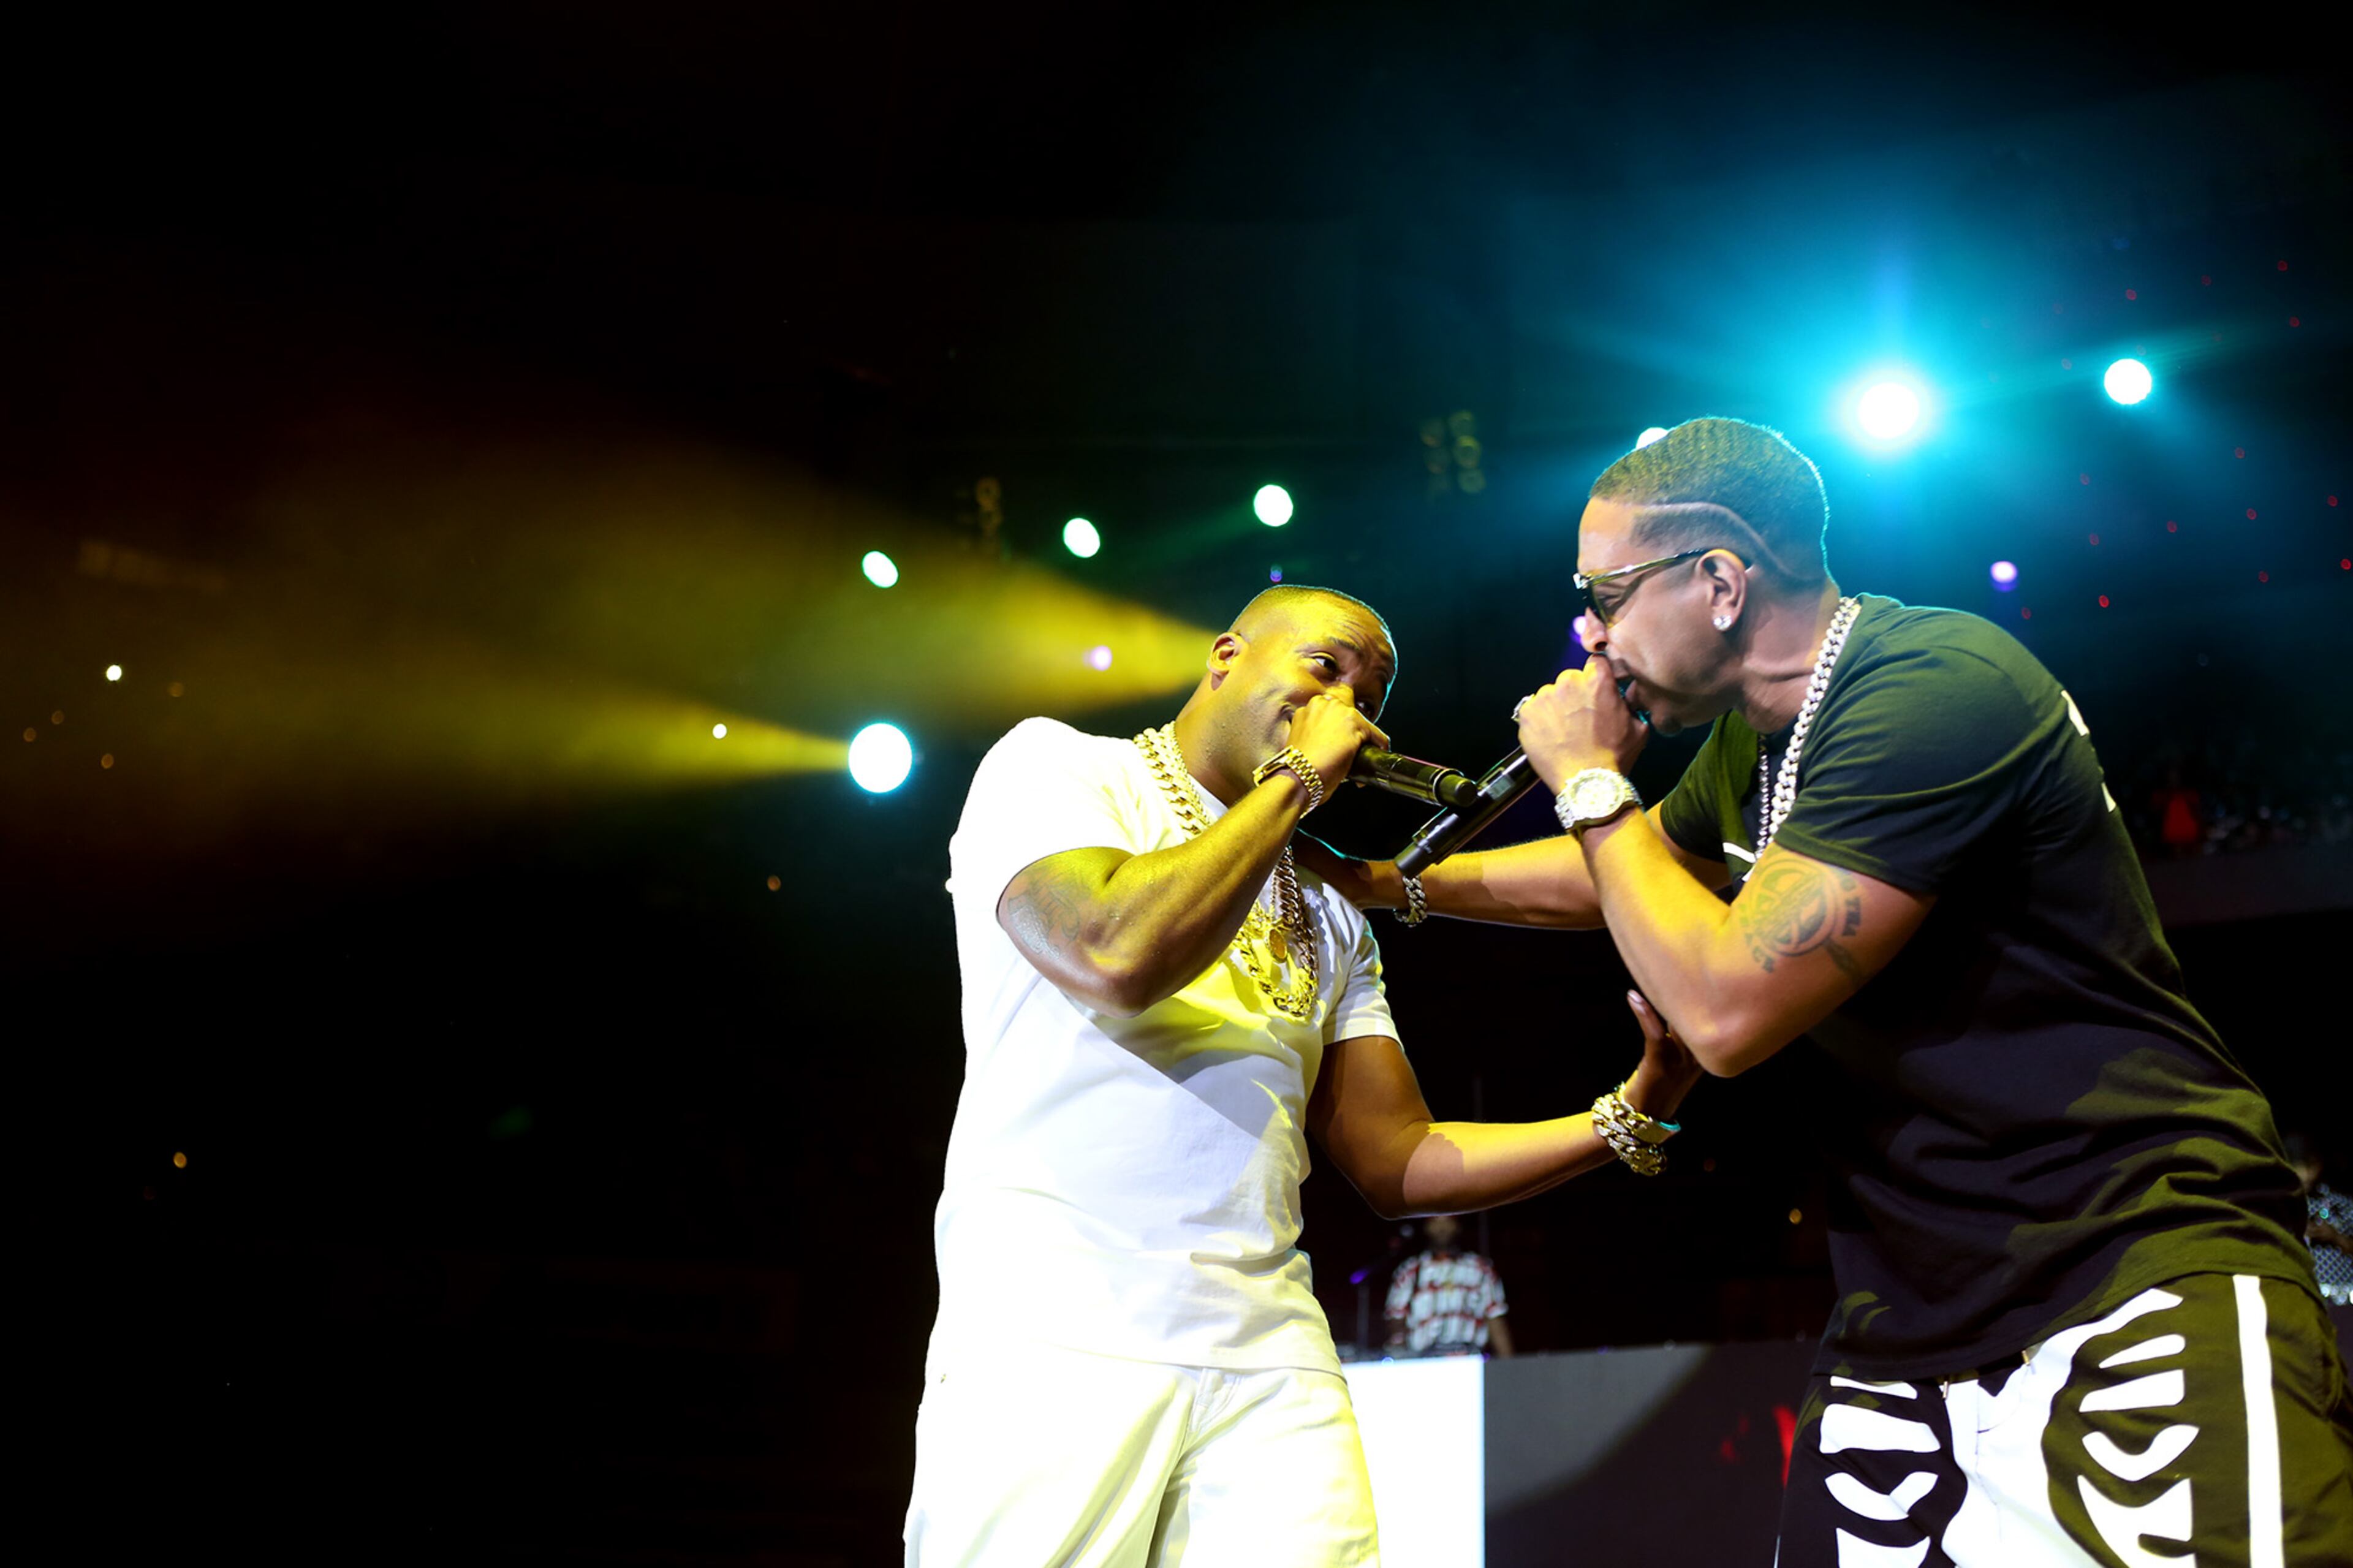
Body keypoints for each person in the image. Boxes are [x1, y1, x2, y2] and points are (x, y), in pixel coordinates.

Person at [1315, 420, 2353, 1564]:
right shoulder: (1756, 743)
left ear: (1719, 580)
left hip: (2129, 1261)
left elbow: (1725, 1009)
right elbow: (1628, 872)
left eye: (1604, 592)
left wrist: (1588, 775)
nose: (1590, 632)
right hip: (1912, 1308)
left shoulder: (1933, 687)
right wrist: (1386, 883)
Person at [906, 585, 1700, 1567]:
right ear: (1228, 654)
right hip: (1057, 1335)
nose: (1347, 710)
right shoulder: (1061, 767)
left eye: (1366, 697)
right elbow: (1114, 954)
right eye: (1326, 668)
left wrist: (1627, 1113)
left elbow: (1396, 1156)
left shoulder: (1326, 908)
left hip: (1271, 1353)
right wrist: (1291, 784)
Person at [1384, 1213, 1513, 1358]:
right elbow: (1397, 1320)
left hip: (1470, 1359)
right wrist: (1401, 1358)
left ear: (1458, 1226)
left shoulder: (1480, 1268)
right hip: (1425, 1361)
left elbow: (1495, 1320)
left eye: (1448, 1222)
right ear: (1426, 1227)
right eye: (1436, 1222)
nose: (1442, 1229)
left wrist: (1508, 1366)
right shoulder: (1411, 1271)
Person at [2286, 1133, 2353, 1308]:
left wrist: (2335, 1237)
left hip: (2343, 1300)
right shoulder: (2278, 1207)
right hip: (2299, 1299)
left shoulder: (2340, 1205)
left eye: (2311, 1166)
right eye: (2299, 1167)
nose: (2306, 1174)